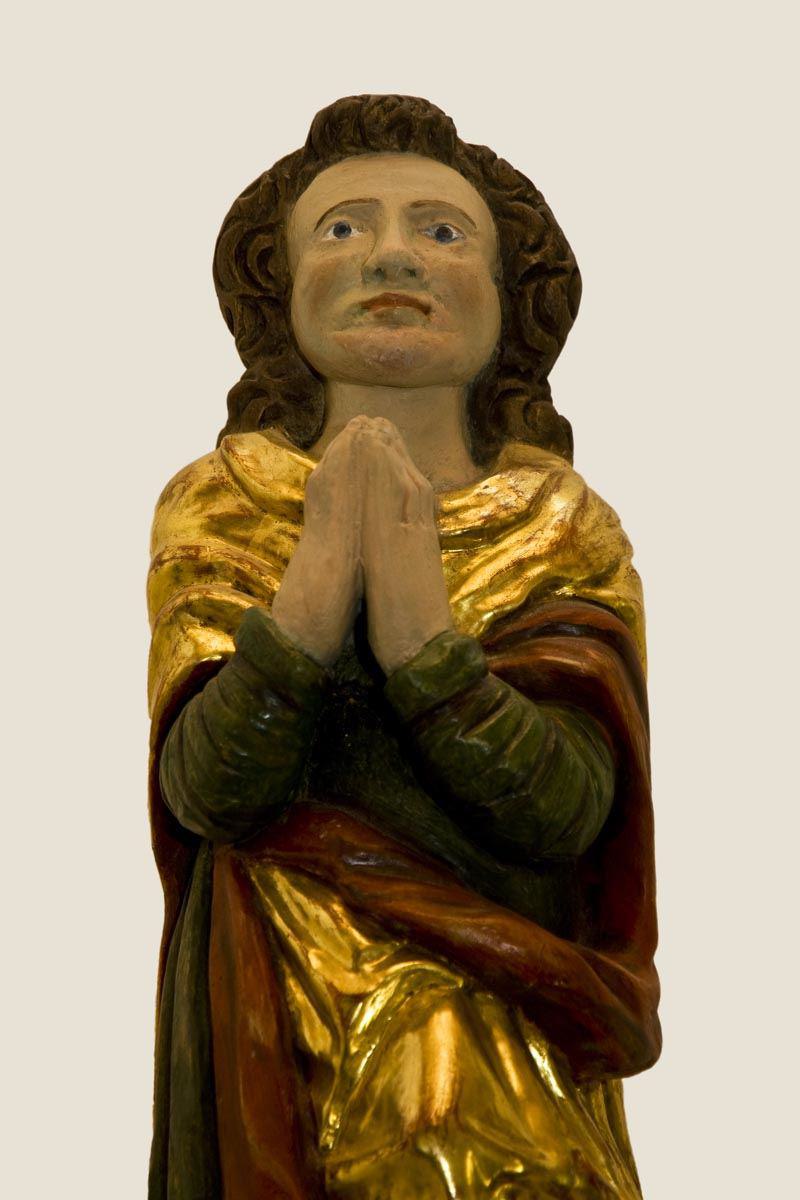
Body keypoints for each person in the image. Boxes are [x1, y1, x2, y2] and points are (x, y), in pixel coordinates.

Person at [147, 95, 660, 1200]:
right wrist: (315, 587)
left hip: (510, 1032)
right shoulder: (224, 504)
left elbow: (570, 815)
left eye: (441, 230)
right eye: (342, 228)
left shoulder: (558, 525)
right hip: (286, 1012)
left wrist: (423, 638)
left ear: (509, 299)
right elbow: (207, 791)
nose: (391, 254)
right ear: (279, 291)